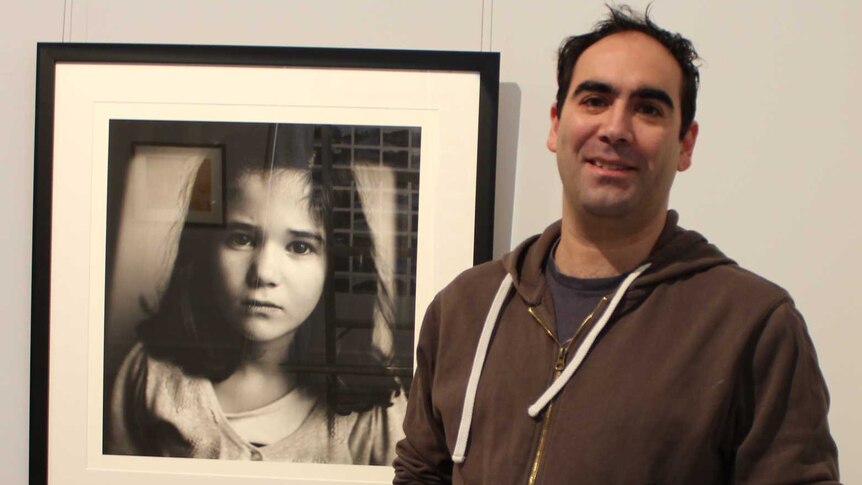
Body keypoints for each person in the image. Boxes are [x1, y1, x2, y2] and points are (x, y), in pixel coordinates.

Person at [393, 5, 840, 484]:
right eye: (594, 100)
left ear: (685, 145)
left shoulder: (753, 325)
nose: (615, 128)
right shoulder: (465, 308)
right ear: (555, 124)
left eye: (648, 108)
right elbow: (421, 473)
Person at [106, 124, 405, 464]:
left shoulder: (375, 406)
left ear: (336, 267)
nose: (263, 272)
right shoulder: (153, 376)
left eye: (300, 246)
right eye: (242, 238)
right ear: (205, 248)